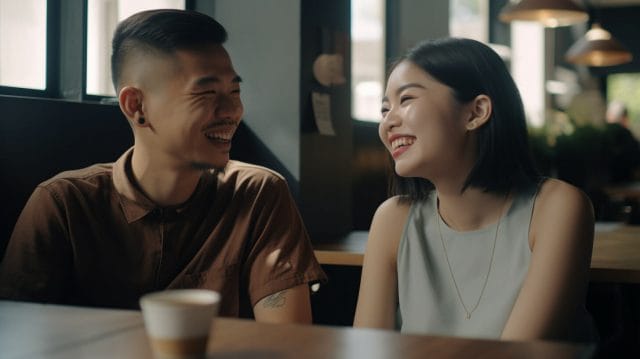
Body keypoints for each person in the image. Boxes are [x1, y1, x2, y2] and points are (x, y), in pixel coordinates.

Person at [0, 9, 326, 324]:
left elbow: (287, 341)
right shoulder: (63, 205)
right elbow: (17, 338)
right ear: (137, 105)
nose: (232, 111)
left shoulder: (258, 194)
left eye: (234, 91)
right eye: (207, 92)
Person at [353, 38, 596, 341]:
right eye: (384, 109)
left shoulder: (557, 207)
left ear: (476, 112)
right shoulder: (392, 219)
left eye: (406, 100)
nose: (388, 121)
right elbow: (367, 349)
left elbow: (516, 354)